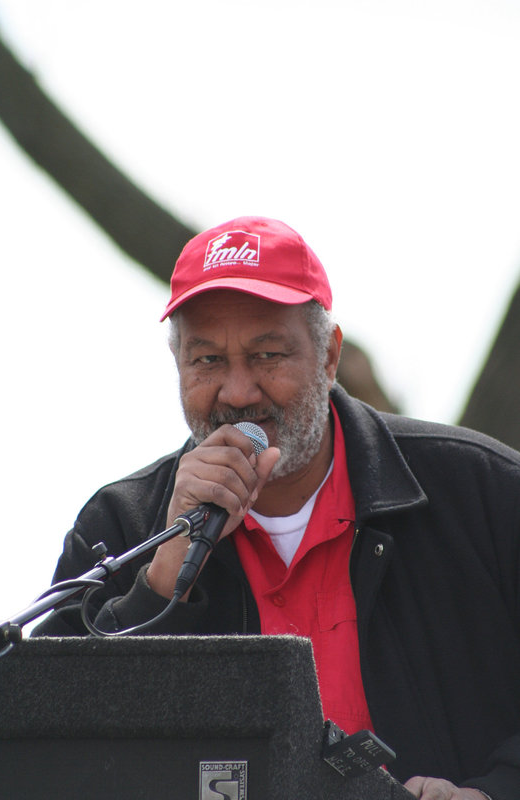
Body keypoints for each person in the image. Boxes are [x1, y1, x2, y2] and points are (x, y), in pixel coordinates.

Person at [35, 216, 520, 800]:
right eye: (207, 361)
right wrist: (163, 580)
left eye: (267, 354)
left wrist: (494, 791)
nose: (238, 392)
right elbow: (52, 749)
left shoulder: (484, 490)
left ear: (329, 355)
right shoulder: (119, 526)